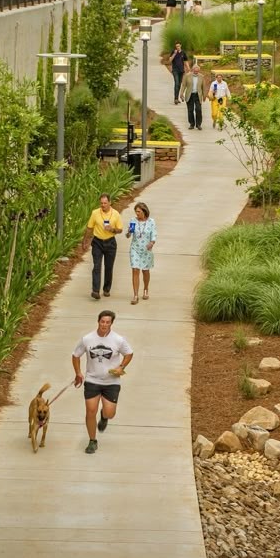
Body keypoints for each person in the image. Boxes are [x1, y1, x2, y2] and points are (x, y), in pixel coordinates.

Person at [72, 310, 133, 454]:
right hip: (92, 380)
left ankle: (104, 416)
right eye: (102, 321)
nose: (104, 324)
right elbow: (75, 355)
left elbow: (129, 353)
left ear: (111, 323)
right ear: (98, 321)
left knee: (110, 413)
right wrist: (78, 373)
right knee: (90, 411)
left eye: (107, 322)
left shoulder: (118, 340)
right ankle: (92, 441)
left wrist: (121, 366)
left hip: (111, 382)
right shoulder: (87, 339)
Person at [86, 193, 123, 300]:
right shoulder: (95, 213)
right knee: (96, 266)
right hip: (97, 242)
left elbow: (120, 230)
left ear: (110, 203)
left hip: (110, 242)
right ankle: (95, 290)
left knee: (108, 267)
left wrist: (112, 229)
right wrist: (85, 241)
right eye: (101, 203)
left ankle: (106, 289)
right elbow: (89, 228)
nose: (103, 205)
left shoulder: (115, 214)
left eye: (105, 203)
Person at [126, 201, 156, 304]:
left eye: (138, 212)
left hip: (146, 250)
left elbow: (154, 235)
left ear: (144, 211)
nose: (137, 214)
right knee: (135, 270)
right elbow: (128, 235)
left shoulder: (151, 221)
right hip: (135, 248)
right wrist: (129, 232)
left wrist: (151, 243)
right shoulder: (133, 220)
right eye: (136, 212)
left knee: (145, 271)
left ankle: (146, 289)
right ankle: (135, 295)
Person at [179, 63, 208, 130]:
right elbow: (183, 85)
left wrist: (204, 96)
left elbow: (204, 87)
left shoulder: (201, 76)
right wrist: (181, 94)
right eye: (195, 71)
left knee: (198, 109)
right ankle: (192, 124)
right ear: (192, 70)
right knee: (190, 110)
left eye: (197, 71)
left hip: (198, 95)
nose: (196, 72)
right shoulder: (187, 76)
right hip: (190, 95)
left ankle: (198, 124)